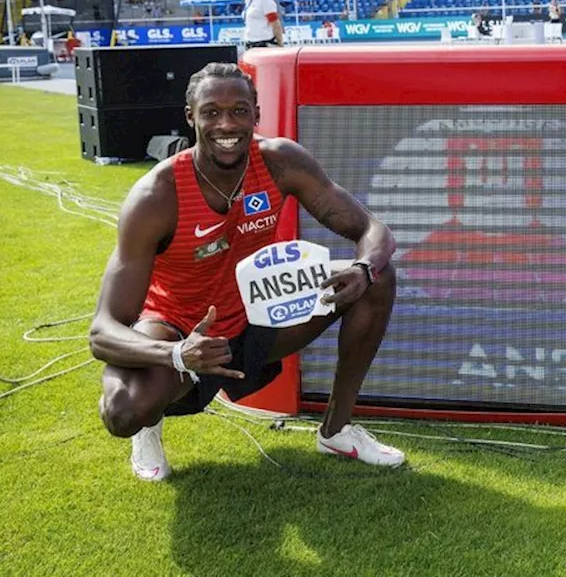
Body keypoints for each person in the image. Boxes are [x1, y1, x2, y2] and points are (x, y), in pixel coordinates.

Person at [90, 62, 403, 481]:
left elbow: (370, 228)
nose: (226, 124)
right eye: (211, 112)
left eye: (239, 110)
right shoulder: (155, 196)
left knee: (377, 279)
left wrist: (364, 267)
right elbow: (103, 330)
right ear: (191, 117)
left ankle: (336, 429)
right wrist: (177, 354)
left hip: (259, 316)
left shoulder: (280, 162)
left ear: (256, 113)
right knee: (124, 410)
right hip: (182, 329)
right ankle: (150, 427)